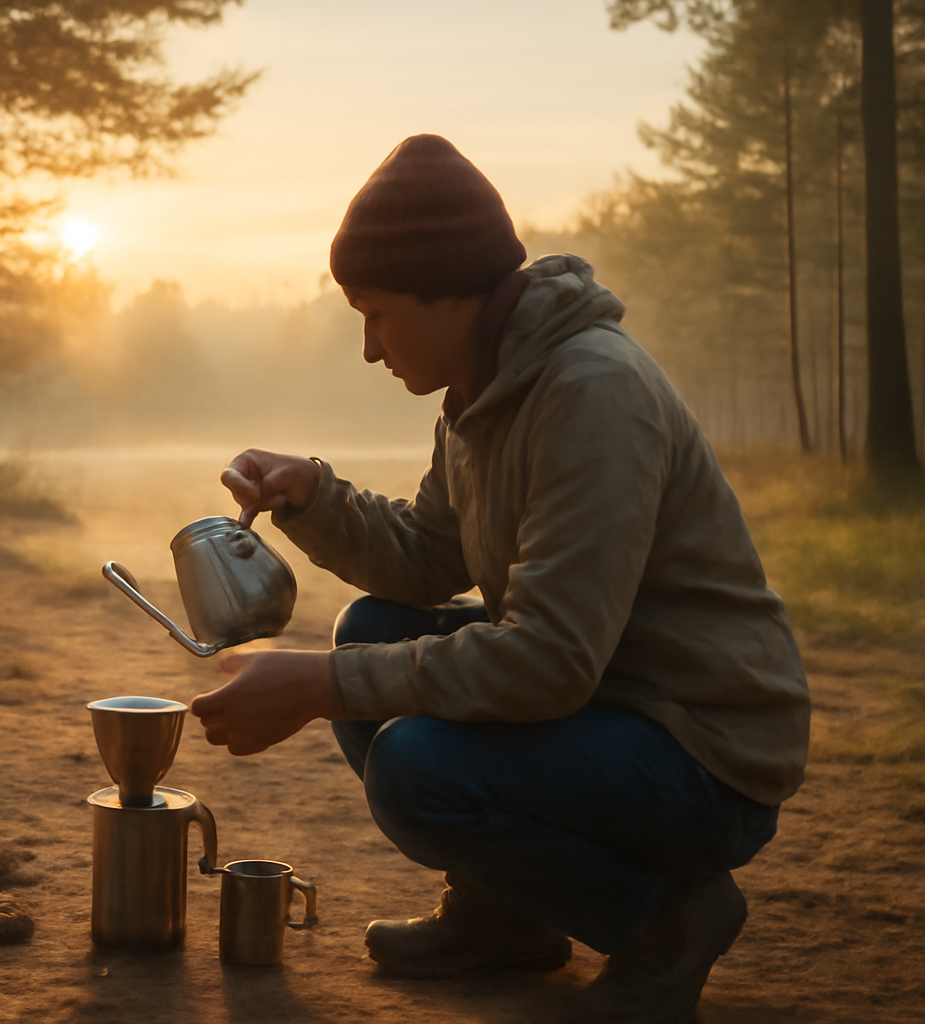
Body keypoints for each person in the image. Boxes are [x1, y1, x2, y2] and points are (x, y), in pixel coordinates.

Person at [190, 135, 809, 1024]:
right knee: (371, 627)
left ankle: (670, 922)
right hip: (608, 708)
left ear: (449, 293)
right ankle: (507, 915)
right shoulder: (482, 390)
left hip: (701, 749)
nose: (369, 349)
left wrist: (321, 687)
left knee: (411, 764)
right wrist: (314, 496)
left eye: (376, 314)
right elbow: (428, 560)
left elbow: (550, 660)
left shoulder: (592, 391)